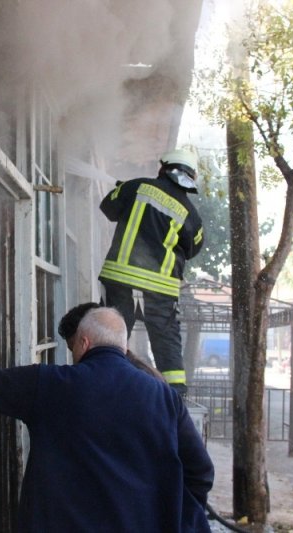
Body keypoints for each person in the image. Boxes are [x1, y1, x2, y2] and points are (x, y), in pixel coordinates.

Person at [0, 306, 215, 532]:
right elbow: (201, 472)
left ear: (84, 342)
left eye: (73, 346)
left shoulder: (50, 385)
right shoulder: (165, 398)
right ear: (123, 346)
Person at [98, 149, 204, 395]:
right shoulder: (191, 215)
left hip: (120, 280)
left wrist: (124, 192)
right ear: (190, 178)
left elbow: (107, 207)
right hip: (160, 290)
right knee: (166, 341)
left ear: (163, 168)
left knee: (111, 335)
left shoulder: (136, 187)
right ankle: (175, 396)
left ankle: (102, 385)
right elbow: (193, 248)